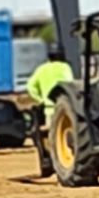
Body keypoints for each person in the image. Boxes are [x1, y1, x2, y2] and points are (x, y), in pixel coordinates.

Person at [26, 42, 75, 178]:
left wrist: (41, 99)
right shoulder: (65, 67)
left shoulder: (42, 70)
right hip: (65, 108)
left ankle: (54, 164)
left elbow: (30, 87)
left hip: (49, 110)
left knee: (51, 138)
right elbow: (70, 83)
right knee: (66, 137)